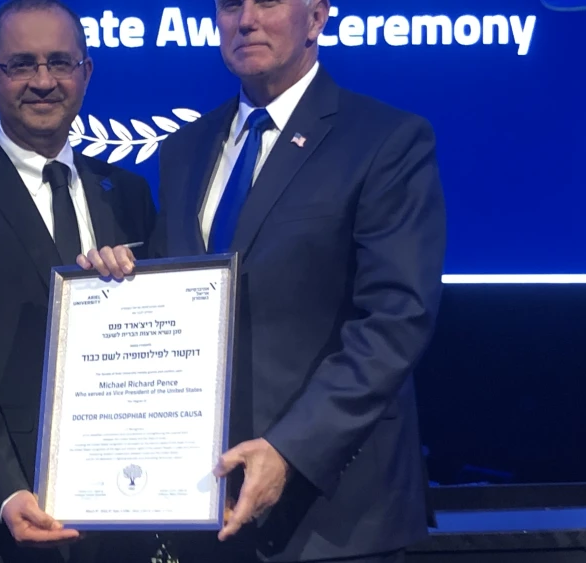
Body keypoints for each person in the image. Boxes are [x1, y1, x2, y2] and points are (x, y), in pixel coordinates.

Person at [80, 0, 446, 561]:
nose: (246, 19)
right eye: (230, 5)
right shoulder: (184, 148)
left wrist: (291, 450)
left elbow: (396, 320)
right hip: (206, 506)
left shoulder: (385, 140)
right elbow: (179, 292)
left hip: (335, 517)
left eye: (268, 1)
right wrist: (119, 277)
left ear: (317, 18)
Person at [0, 1, 157, 562]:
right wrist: (8, 490)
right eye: (22, 64)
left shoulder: (129, 194)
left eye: (60, 62)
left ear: (86, 72)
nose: (44, 81)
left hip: (121, 515)